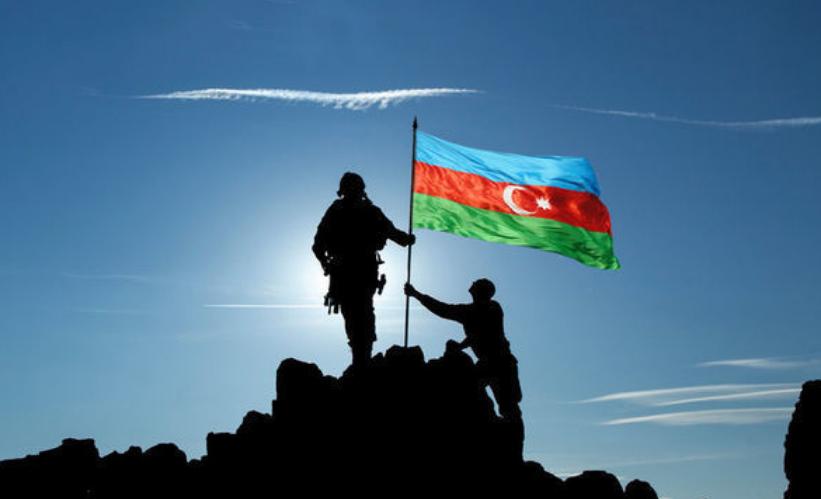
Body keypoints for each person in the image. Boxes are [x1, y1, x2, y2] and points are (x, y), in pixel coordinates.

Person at [404, 279, 524, 458]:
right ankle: (501, 447)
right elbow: (479, 332)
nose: (471, 284)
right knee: (498, 404)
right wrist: (461, 346)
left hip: (498, 363)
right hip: (496, 363)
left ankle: (511, 453)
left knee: (508, 408)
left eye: (476, 284)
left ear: (480, 291)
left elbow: (444, 310)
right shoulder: (489, 309)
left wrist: (416, 295)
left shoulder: (481, 310)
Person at [312, 172, 415, 368]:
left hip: (353, 272)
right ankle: (361, 358)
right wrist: (405, 239)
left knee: (359, 314)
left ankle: (361, 359)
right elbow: (318, 244)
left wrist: (405, 239)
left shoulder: (357, 211)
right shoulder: (360, 210)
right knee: (359, 314)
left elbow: (318, 245)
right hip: (353, 271)